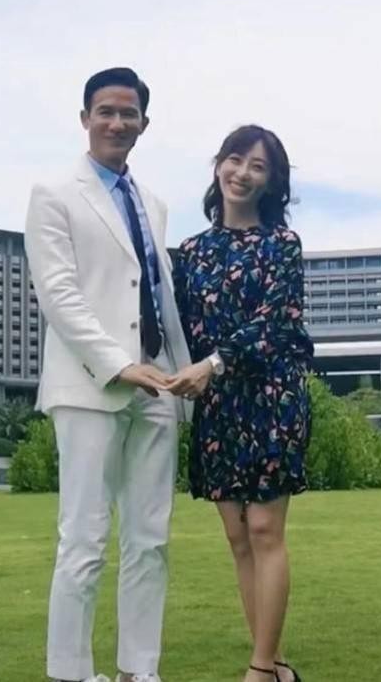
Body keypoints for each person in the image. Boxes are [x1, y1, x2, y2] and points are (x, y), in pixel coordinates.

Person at [25, 67, 192, 682]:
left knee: (150, 539)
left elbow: (156, 294)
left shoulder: (153, 204)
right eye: (106, 111)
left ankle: (139, 671)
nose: (118, 122)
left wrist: (177, 374)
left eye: (129, 113)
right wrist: (119, 364)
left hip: (159, 384)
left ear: (144, 123)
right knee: (84, 540)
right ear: (85, 118)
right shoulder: (53, 193)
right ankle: (70, 674)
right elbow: (60, 294)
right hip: (90, 385)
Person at [170, 125, 313, 682]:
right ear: (218, 165)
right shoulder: (191, 253)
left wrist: (212, 364)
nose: (243, 173)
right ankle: (275, 666)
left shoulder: (282, 245)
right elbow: (179, 326)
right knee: (237, 538)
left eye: (258, 166)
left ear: (271, 182)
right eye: (236, 159)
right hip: (219, 403)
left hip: (272, 397)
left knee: (264, 531)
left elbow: (275, 322)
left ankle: (258, 669)